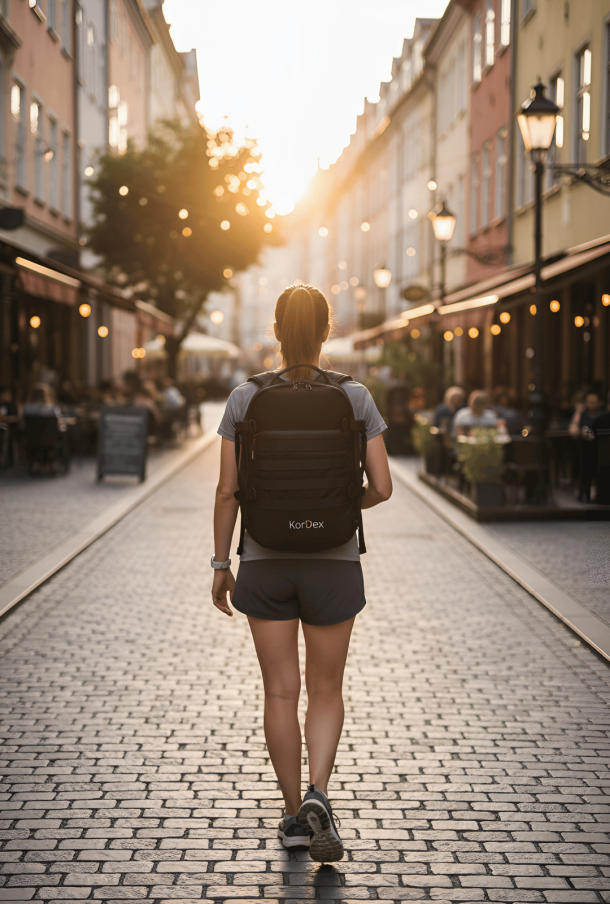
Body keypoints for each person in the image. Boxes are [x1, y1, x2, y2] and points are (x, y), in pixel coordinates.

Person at [211, 284, 392, 863]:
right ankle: (319, 792)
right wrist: (338, 508)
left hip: (263, 559)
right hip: (334, 562)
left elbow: (226, 491)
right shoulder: (355, 396)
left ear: (276, 330)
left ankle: (293, 817)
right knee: (325, 689)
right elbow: (383, 487)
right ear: (325, 330)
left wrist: (221, 565)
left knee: (280, 691)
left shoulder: (245, 398)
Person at [569, 385, 608, 502]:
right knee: (583, 459)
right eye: (588, 401)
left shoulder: (604, 415)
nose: (591, 403)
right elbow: (573, 430)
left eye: (593, 401)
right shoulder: (582, 414)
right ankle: (583, 490)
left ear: (600, 402)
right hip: (585, 449)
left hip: (602, 450)